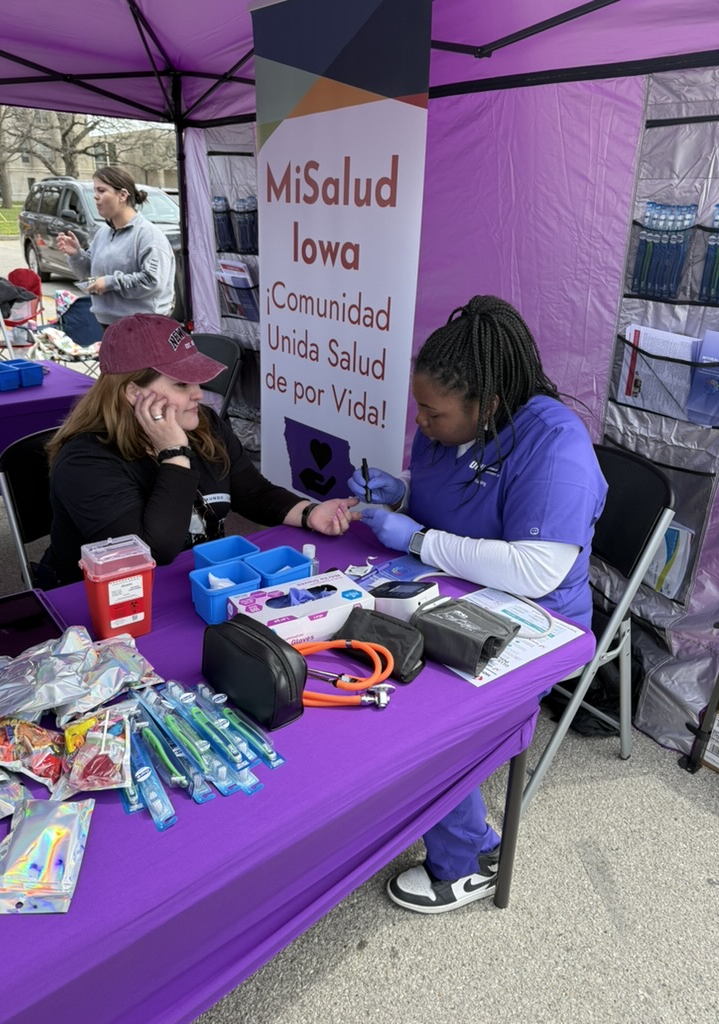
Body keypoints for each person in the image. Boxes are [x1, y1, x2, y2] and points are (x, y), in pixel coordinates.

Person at [348, 294, 607, 914]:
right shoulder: (452, 425)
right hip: (454, 586)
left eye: (433, 414)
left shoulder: (554, 444)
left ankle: (471, 858)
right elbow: (456, 493)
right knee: (361, 649)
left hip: (537, 618)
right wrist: (402, 489)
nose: (422, 423)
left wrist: (415, 538)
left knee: (426, 709)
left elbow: (537, 570)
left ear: (486, 405)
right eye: (420, 409)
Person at [37, 313, 358, 587]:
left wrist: (309, 512)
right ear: (133, 393)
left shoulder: (202, 423)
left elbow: (252, 492)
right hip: (102, 606)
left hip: (196, 582)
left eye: (197, 382)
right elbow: (150, 551)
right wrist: (173, 453)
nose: (199, 396)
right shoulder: (85, 462)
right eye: (181, 384)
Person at [56, 166, 175, 328]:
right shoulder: (102, 233)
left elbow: (152, 282)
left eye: (102, 190)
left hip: (142, 327)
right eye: (94, 191)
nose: (95, 197)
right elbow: (90, 277)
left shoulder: (148, 235)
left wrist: (110, 282)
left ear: (123, 195)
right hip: (107, 324)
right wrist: (76, 255)